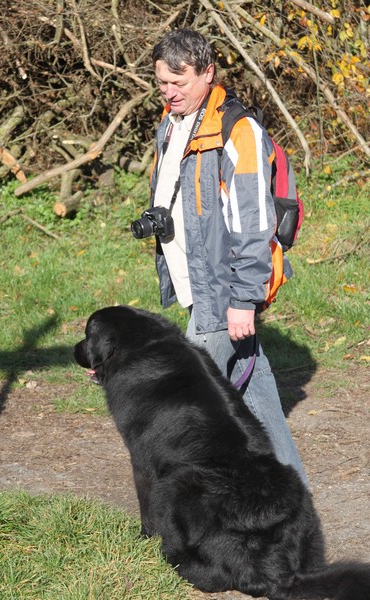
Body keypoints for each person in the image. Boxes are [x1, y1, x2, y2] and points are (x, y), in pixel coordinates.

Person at [139, 28, 308, 485]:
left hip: (222, 292)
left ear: (208, 73)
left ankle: (185, 506)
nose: (169, 92)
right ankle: (292, 498)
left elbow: (254, 224)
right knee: (258, 402)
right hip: (199, 287)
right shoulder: (172, 123)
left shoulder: (238, 131)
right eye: (162, 83)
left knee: (188, 409)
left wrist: (243, 299)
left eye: (179, 82)